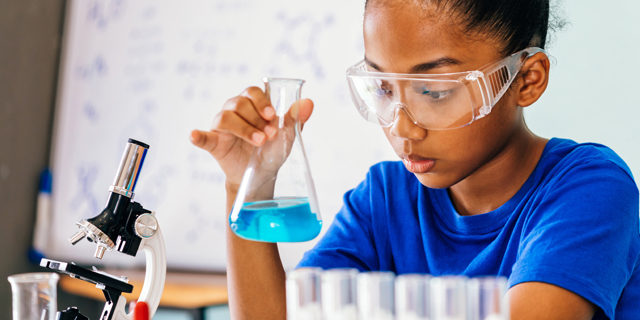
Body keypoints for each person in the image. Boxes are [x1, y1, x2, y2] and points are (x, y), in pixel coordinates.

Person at [190, 0, 640, 319]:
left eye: (434, 92)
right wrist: (247, 185)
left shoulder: (590, 189)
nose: (402, 127)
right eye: (383, 89)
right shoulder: (385, 199)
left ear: (526, 80)